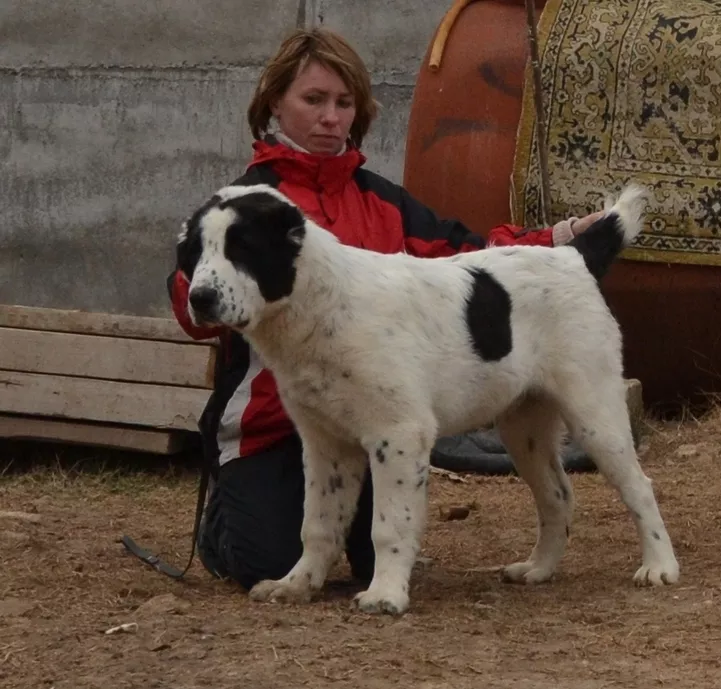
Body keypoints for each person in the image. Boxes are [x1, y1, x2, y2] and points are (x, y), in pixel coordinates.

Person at [167, 27, 605, 592]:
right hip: (271, 426)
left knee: (378, 558)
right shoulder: (241, 205)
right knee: (264, 562)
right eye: (314, 100)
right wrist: (206, 284)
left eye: (343, 103)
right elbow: (190, 310)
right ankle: (228, 516)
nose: (331, 117)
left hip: (368, 412)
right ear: (275, 102)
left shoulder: (383, 202)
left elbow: (469, 260)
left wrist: (560, 240)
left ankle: (368, 550)